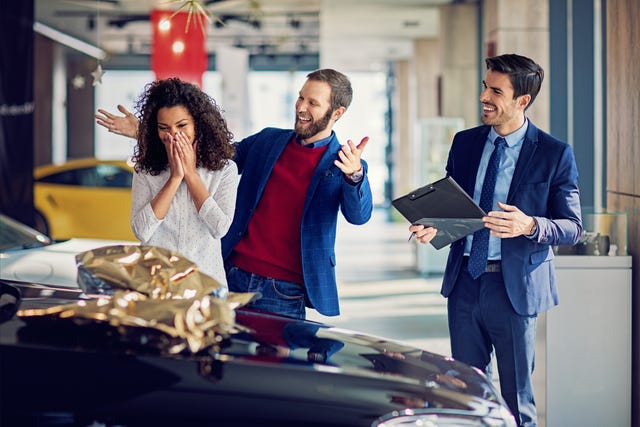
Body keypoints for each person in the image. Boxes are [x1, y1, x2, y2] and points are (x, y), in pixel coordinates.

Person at [95, 69, 373, 320]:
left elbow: (359, 216)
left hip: (285, 290)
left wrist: (354, 175)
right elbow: (213, 153)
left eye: (312, 103)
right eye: (301, 98)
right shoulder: (268, 141)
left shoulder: (345, 163)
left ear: (337, 113)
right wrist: (149, 134)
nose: (301, 107)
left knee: (269, 371)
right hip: (232, 273)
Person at [409, 54, 582, 427]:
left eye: (496, 91)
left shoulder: (554, 154)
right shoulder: (465, 143)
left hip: (514, 289)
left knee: (517, 400)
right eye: (485, 86)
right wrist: (433, 226)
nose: (484, 96)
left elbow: (572, 227)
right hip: (465, 284)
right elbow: (454, 210)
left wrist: (529, 225)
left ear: (523, 101)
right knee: (466, 395)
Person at [122, 77, 238, 292]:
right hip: (155, 285)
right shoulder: (145, 170)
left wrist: (191, 175)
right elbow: (141, 231)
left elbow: (220, 228)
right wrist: (175, 178)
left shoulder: (224, 170)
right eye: (164, 128)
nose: (173, 135)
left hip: (206, 286)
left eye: (182, 125)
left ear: (199, 124)